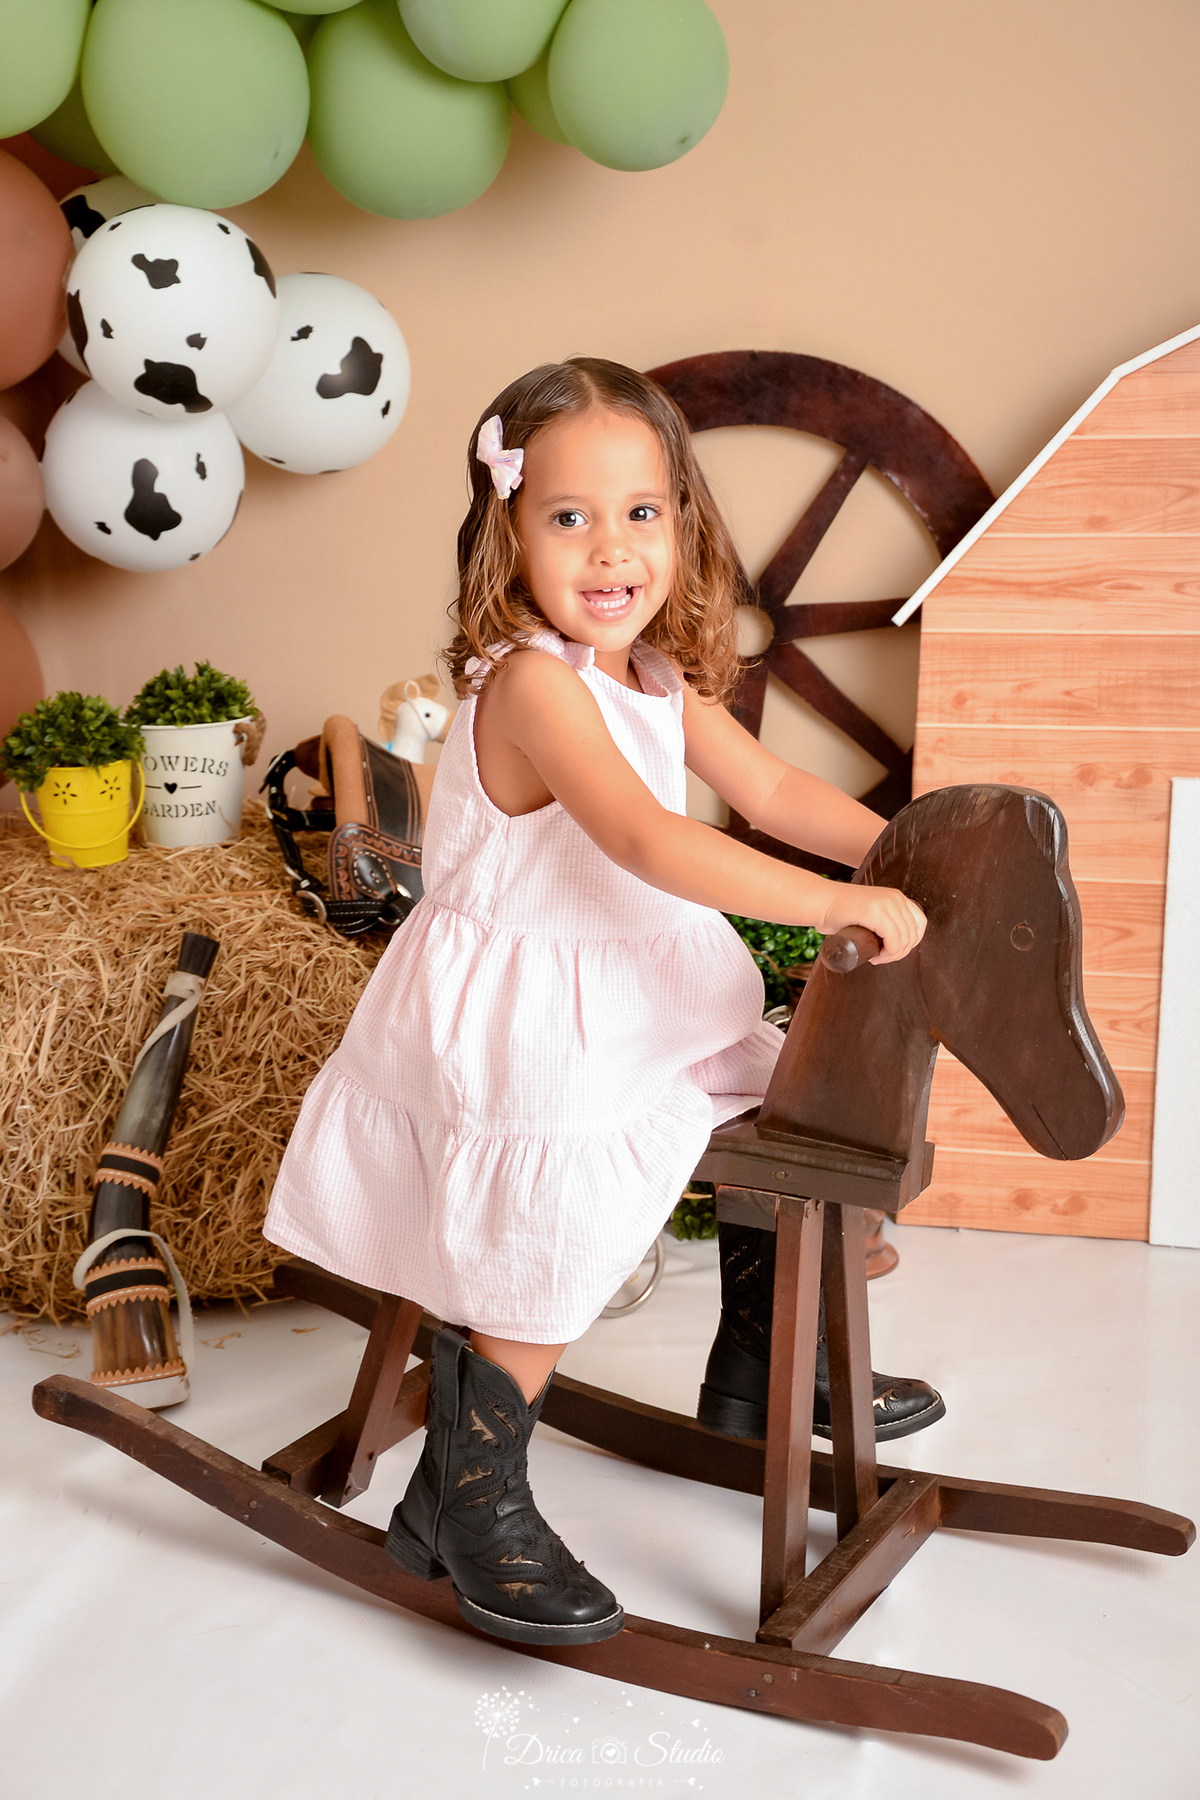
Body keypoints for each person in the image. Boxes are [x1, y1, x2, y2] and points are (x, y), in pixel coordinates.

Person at [264, 357, 937, 1652]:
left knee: (794, 1088)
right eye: (568, 515)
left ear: (683, 524)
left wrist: (908, 854)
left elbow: (774, 792)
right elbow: (646, 838)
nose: (612, 547)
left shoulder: (654, 675)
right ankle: (471, 1495)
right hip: (531, 1014)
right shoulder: (532, 684)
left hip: (638, 986)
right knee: (559, 1207)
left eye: (642, 513)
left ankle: (760, 1361)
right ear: (508, 531)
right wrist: (832, 905)